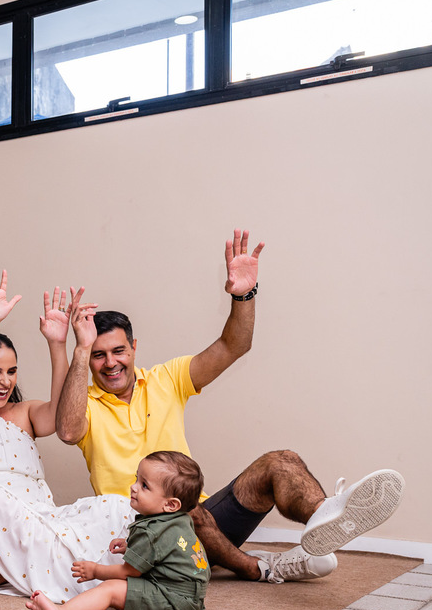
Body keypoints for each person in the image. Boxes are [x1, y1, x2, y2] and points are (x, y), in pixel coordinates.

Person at [56, 229, 405, 583]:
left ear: (134, 348)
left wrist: (245, 295)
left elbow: (232, 346)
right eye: (98, 355)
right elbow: (68, 432)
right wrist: (80, 350)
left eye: (118, 351)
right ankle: (260, 568)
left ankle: (326, 517)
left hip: (203, 521)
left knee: (281, 461)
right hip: (142, 533)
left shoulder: (166, 378)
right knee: (186, 512)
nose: (110, 363)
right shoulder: (84, 403)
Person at [0, 270, 135, 602]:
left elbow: (60, 412)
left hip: (38, 515)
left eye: (11, 372)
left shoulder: (24, 412)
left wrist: (57, 344)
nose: (4, 381)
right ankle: (38, 570)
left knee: (116, 507)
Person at [27, 451, 209, 610]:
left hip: (172, 598)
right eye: (137, 479)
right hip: (192, 596)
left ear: (170, 504)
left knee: (111, 588)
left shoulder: (151, 532)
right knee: (123, 586)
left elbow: (129, 572)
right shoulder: (180, 520)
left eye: (144, 486)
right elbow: (164, 549)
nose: (134, 487)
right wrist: (131, 544)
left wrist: (95, 571)